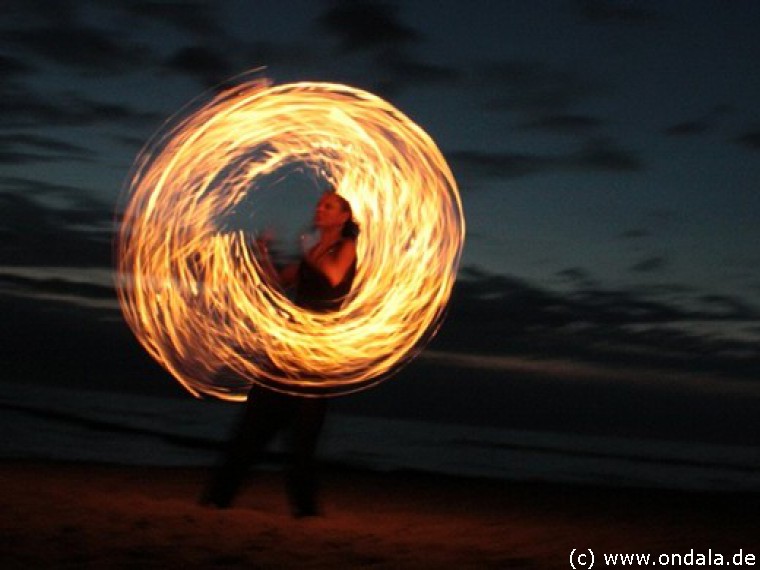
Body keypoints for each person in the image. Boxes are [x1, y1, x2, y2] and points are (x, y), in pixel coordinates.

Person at [200, 188, 359, 517]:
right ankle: (219, 499)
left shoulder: (345, 248)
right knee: (252, 427)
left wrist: (308, 252)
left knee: (302, 441)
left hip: (316, 355)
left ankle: (306, 512)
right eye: (319, 204)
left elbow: (333, 275)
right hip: (286, 351)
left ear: (343, 217)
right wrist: (262, 253)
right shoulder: (311, 252)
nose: (320, 209)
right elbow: (278, 283)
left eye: (328, 206)